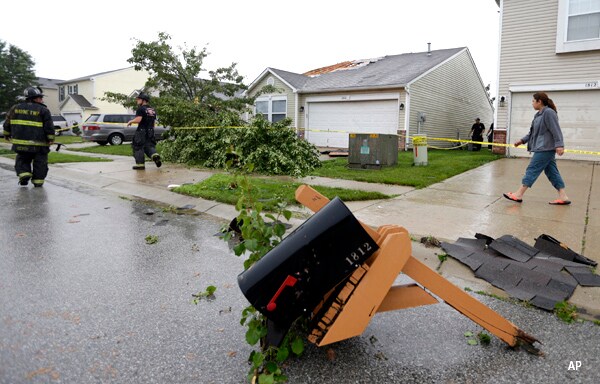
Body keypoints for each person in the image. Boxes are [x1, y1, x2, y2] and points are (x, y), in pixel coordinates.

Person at [503, 92, 570, 205]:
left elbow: (556, 130)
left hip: (545, 148)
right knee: (552, 172)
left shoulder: (549, 113)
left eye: (533, 101)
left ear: (539, 101)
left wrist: (559, 145)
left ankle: (518, 194)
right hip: (541, 147)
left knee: (532, 169)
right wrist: (522, 140)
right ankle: (563, 196)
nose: (532, 104)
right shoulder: (538, 115)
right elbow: (532, 132)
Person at [2, 87, 55, 187]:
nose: (42, 100)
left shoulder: (15, 108)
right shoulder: (43, 110)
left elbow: (7, 122)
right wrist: (50, 139)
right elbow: (49, 126)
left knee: (22, 159)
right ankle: (38, 182)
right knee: (40, 162)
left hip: (21, 143)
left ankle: (24, 175)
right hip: (39, 144)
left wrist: (6, 133)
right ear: (35, 98)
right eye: (40, 97)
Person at [127, 92, 161, 170]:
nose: (137, 100)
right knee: (149, 146)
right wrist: (152, 130)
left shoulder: (141, 109)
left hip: (141, 131)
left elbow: (139, 119)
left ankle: (140, 165)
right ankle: (155, 155)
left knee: (137, 146)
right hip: (151, 131)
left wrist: (131, 121)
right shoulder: (152, 110)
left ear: (144, 100)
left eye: (139, 99)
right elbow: (153, 122)